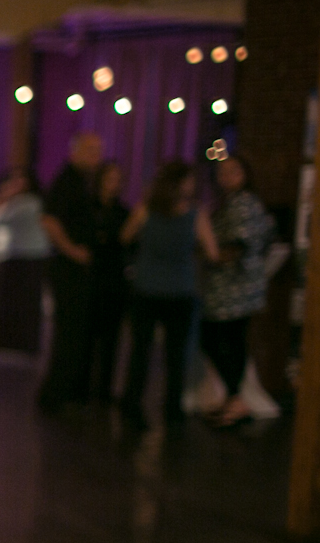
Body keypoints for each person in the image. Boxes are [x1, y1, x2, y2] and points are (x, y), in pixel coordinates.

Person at [119, 161, 220, 429]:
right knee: (176, 356)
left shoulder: (146, 209)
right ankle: (172, 410)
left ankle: (132, 405)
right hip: (180, 291)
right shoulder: (195, 213)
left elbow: (125, 235)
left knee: (140, 351)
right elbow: (213, 252)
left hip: (146, 288)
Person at [200, 154, 276, 428]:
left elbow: (239, 244)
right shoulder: (232, 203)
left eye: (233, 171)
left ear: (244, 174)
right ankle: (234, 397)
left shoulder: (243, 204)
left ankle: (235, 398)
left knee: (222, 339)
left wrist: (214, 257)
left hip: (236, 288)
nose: (227, 177)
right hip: (232, 288)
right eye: (222, 172)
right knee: (226, 340)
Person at [38, 132, 105, 412]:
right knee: (68, 333)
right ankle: (54, 396)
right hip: (68, 269)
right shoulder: (67, 182)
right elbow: (49, 220)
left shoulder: (84, 183)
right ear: (74, 152)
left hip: (76, 268)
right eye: (90, 150)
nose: (96, 156)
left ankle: (68, 392)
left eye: (98, 150)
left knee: (76, 333)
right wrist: (72, 250)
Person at [0, 167, 49, 353]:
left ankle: (22, 345)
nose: (15, 184)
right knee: (10, 304)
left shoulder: (29, 202)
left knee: (23, 305)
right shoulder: (16, 201)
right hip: (14, 258)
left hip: (27, 259)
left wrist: (4, 195)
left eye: (19, 180)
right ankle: (8, 344)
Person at [87, 161, 132, 400]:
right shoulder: (88, 208)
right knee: (87, 336)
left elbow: (128, 243)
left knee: (110, 339)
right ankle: (82, 387)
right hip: (90, 278)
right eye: (109, 178)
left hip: (113, 280)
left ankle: (104, 389)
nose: (113, 183)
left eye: (117, 179)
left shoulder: (123, 211)